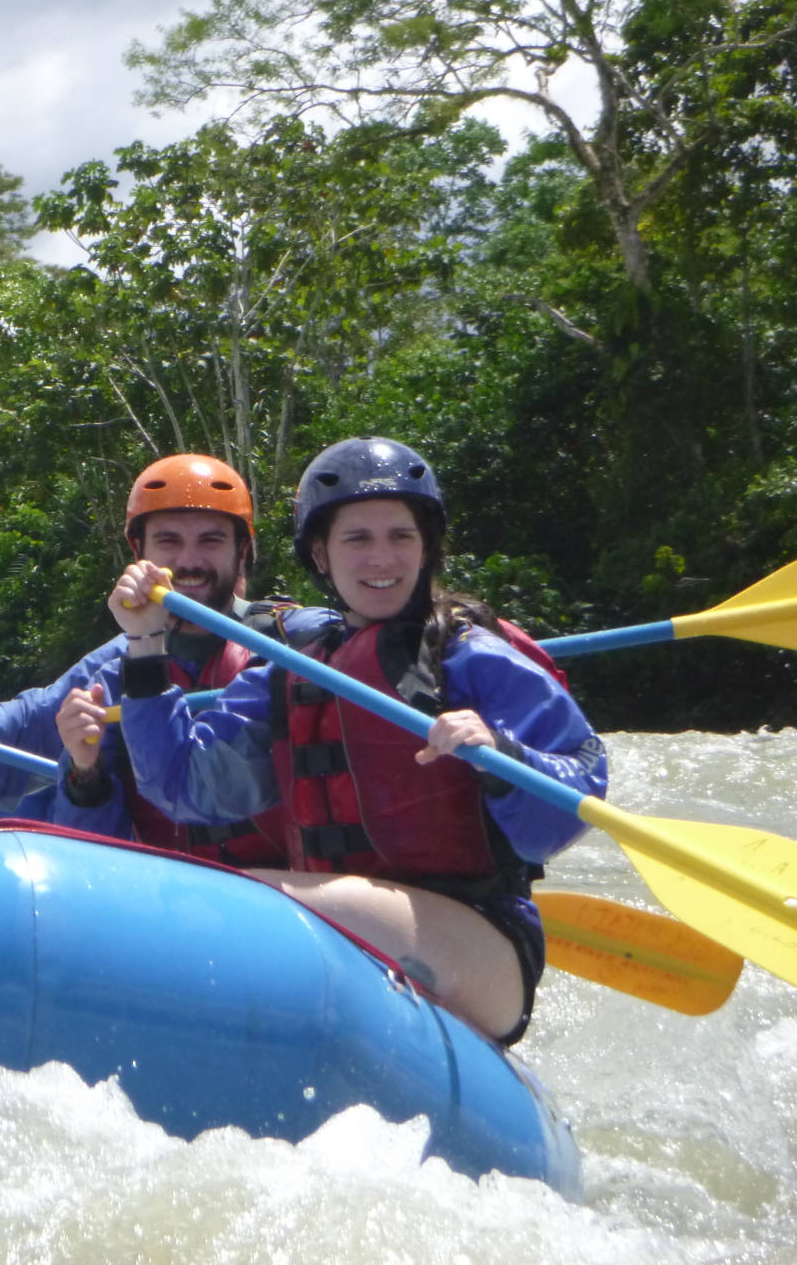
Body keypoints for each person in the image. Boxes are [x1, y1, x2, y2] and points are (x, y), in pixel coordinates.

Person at [108, 436, 607, 1044]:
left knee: (242, 894)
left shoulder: (469, 656)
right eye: (357, 539)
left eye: (401, 536)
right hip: (358, 934)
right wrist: (144, 647)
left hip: (480, 945)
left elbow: (577, 793)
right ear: (321, 554)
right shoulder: (294, 671)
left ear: (427, 548)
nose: (382, 558)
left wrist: (504, 755)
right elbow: (184, 787)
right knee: (202, 893)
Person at [0, 454, 325, 866]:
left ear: (242, 550)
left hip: (279, 887)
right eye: (168, 542)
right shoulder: (119, 662)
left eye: (210, 541)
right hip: (162, 887)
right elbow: (35, 717)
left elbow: (341, 635)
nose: (190, 561)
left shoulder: (292, 640)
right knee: (67, 772)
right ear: (139, 553)